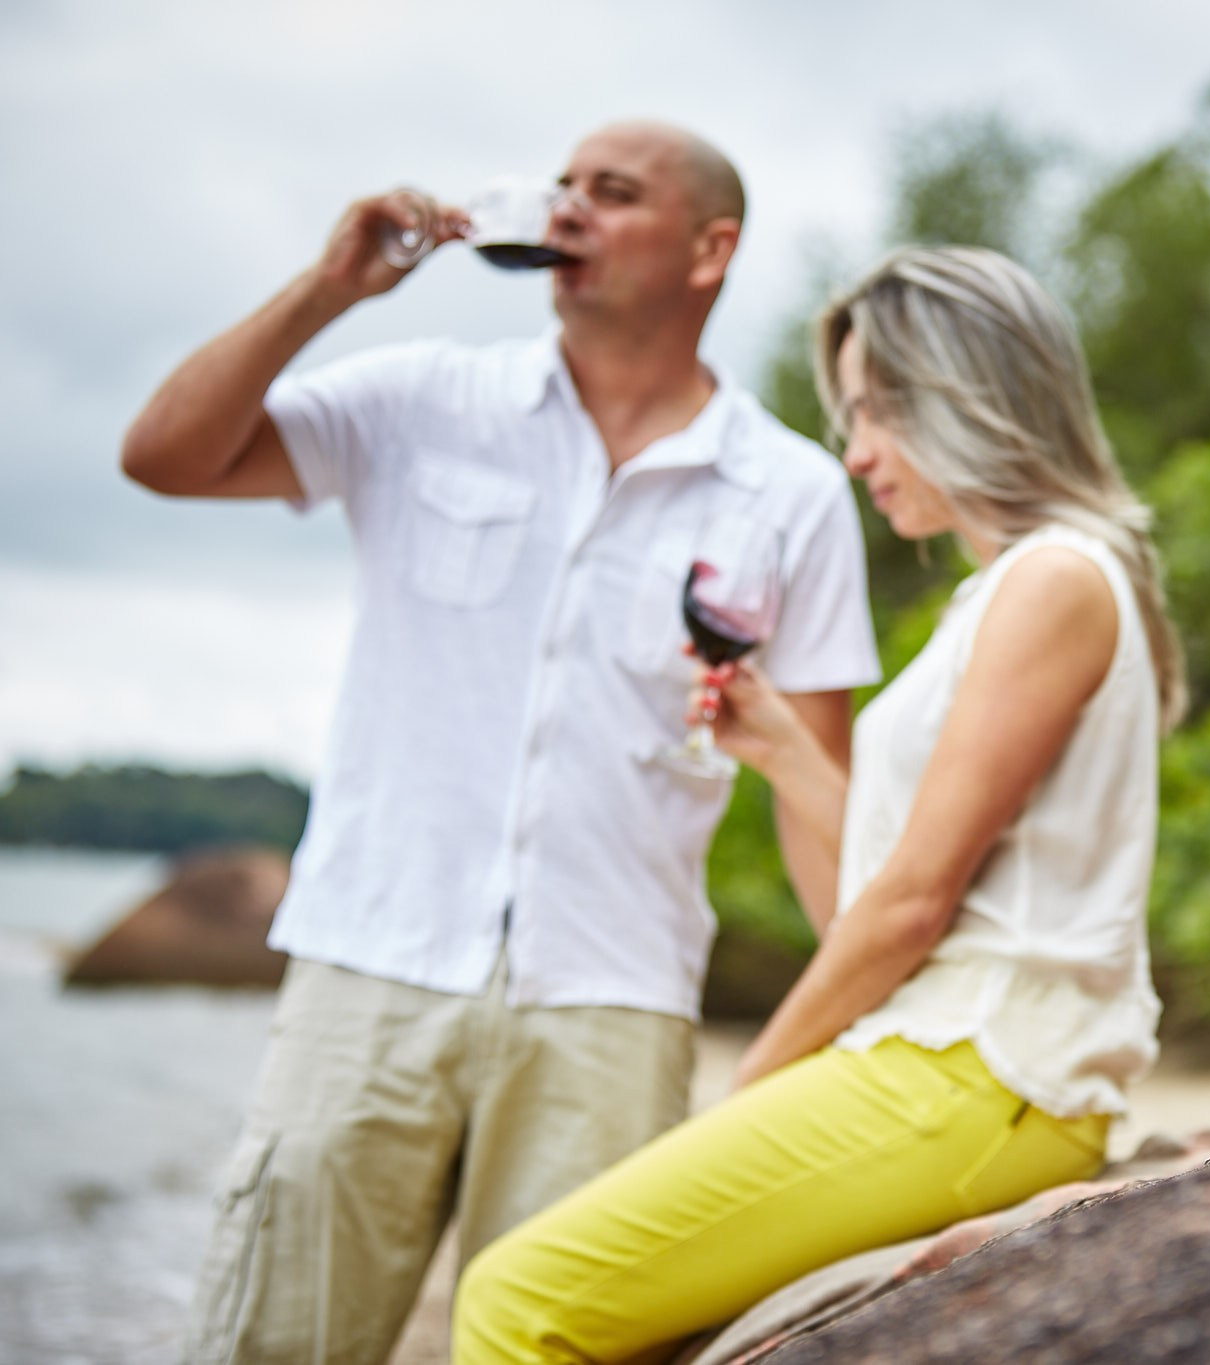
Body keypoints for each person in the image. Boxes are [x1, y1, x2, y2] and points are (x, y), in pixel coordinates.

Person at [119, 121, 881, 1365]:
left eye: (613, 194)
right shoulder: (423, 399)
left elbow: (817, 779)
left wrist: (844, 995)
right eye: (564, 187)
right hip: (371, 964)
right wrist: (328, 290)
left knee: (571, 1348)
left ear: (711, 249)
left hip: (614, 1000)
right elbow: (162, 457)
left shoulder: (787, 491)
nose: (568, 209)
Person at [451, 244, 1188, 1362]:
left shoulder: (1051, 580)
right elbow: (890, 893)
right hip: (957, 1063)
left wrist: (751, 1087)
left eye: (871, 415)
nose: (854, 456)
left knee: (515, 1299)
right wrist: (791, 758)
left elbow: (908, 907)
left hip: (975, 1072)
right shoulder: (1011, 590)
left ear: (958, 397)